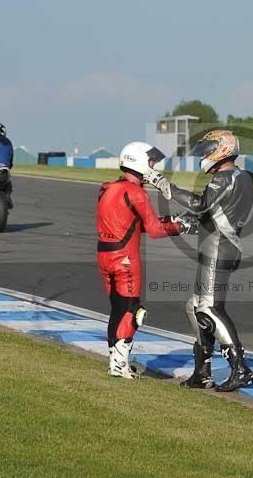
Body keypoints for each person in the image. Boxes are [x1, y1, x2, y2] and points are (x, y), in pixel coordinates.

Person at [145, 129, 253, 392]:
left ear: (223, 149)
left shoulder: (225, 177)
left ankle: (241, 368)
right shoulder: (242, 177)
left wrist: (161, 183)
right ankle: (202, 372)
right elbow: (217, 213)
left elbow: (200, 204)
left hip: (218, 249)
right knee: (195, 306)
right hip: (220, 245)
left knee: (208, 309)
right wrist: (187, 224)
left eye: (209, 149)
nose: (204, 155)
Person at [97, 141, 194, 378]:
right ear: (138, 161)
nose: (153, 166)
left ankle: (116, 362)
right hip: (126, 260)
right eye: (150, 162)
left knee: (118, 310)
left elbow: (132, 223)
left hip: (104, 256)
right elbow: (154, 230)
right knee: (132, 311)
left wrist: (172, 220)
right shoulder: (137, 192)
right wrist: (180, 226)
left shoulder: (108, 188)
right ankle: (119, 365)